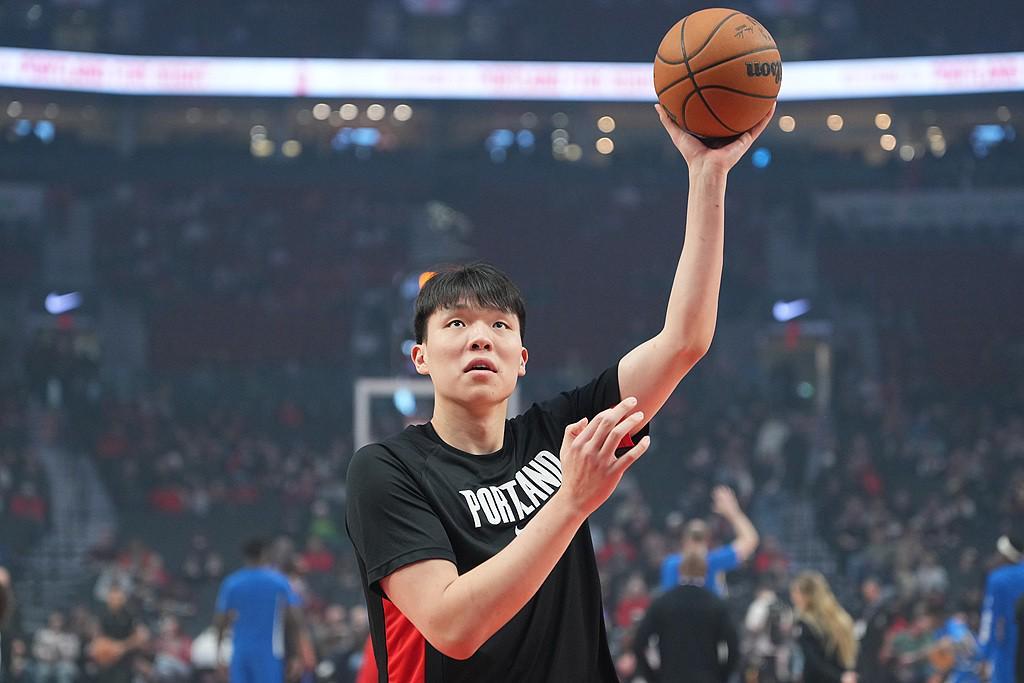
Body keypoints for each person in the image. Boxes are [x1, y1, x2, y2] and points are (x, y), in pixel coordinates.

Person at [345, 103, 775, 682]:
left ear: (521, 359)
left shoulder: (562, 431)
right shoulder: (386, 470)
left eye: (500, 325)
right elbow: (452, 626)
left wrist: (708, 177)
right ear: (419, 357)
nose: (480, 337)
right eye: (456, 323)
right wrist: (570, 501)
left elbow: (684, 341)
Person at [632, 553, 738, 682]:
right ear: (705, 572)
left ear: (680, 571)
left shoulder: (662, 603)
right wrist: (722, 677)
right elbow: (733, 645)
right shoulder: (716, 604)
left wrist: (653, 677)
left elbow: (638, 644)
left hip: (670, 678)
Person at [214, 539, 303, 683]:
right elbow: (294, 619)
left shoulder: (232, 584)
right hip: (268, 653)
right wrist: (297, 655)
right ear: (264, 554)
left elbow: (220, 621)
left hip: (241, 652)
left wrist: (218, 654)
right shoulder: (279, 582)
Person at [659, 485, 760, 594]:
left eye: (698, 538)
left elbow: (750, 540)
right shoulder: (711, 562)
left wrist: (733, 512)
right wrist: (733, 512)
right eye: (695, 537)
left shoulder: (672, 564)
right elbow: (750, 539)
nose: (695, 543)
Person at [790, 571, 858, 683]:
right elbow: (851, 653)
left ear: (808, 596)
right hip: (842, 677)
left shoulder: (805, 624)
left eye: (796, 593)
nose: (793, 597)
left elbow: (814, 661)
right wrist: (845, 675)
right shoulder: (841, 619)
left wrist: (839, 677)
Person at [981, 535, 1024, 683]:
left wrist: (984, 654)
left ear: (1006, 555)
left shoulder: (998, 579)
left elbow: (990, 620)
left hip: (1007, 647)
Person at [93, 584, 148, 683]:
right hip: (108, 656)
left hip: (127, 657)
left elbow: (142, 635)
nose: (115, 601)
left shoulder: (130, 613)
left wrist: (123, 647)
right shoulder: (103, 614)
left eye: (118, 598)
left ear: (123, 598)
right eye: (112, 598)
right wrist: (108, 646)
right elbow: (97, 635)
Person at [854, 576, 893, 683]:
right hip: (866, 646)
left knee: (878, 675)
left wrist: (886, 648)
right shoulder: (864, 607)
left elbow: (888, 630)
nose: (865, 593)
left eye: (868, 590)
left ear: (875, 590)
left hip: (878, 646)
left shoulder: (884, 607)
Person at [31, 611, 80, 683]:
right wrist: (46, 657)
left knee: (65, 670)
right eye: (54, 621)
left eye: (58, 621)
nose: (56, 623)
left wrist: (61, 653)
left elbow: (74, 653)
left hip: (63, 663)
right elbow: (36, 650)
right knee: (42, 671)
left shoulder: (70, 636)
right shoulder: (42, 634)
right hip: (45, 662)